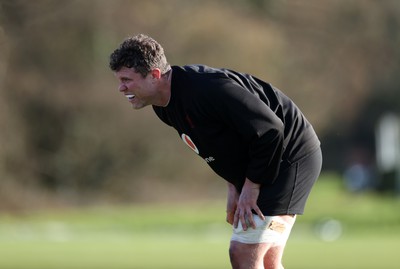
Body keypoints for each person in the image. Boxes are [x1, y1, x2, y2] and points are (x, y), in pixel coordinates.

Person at [109, 34, 322, 269]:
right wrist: (234, 185)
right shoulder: (164, 107)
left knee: (243, 252)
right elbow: (224, 145)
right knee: (267, 260)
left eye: (127, 80)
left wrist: (250, 188)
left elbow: (270, 129)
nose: (121, 88)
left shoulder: (208, 89)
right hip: (267, 158)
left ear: (155, 75)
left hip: (290, 155)